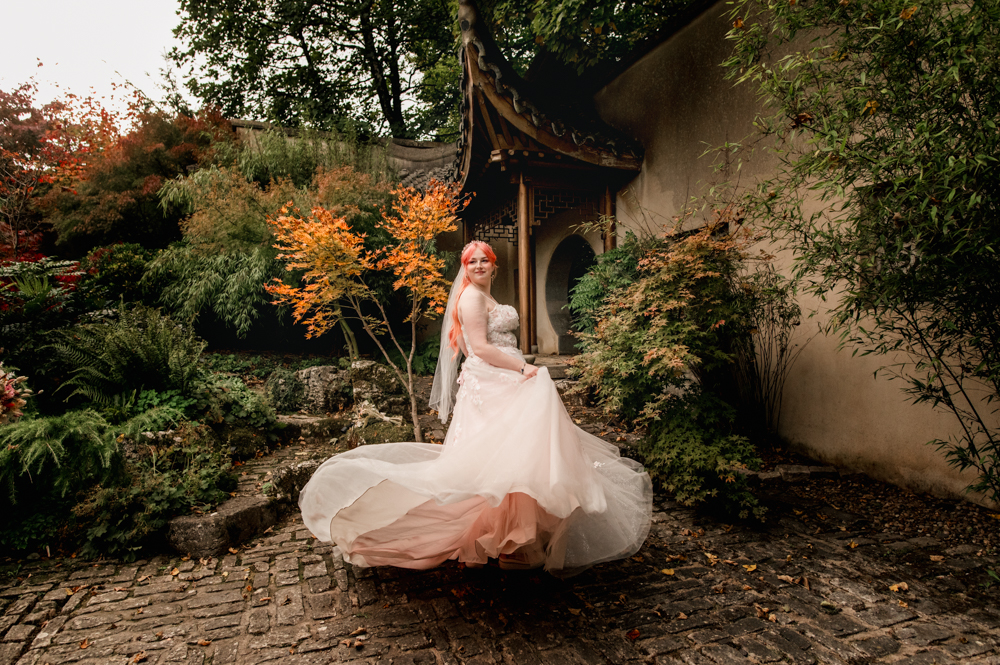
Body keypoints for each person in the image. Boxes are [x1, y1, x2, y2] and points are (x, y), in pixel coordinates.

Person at [299, 240, 652, 576]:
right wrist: (522, 367)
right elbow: (479, 348)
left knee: (513, 457)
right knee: (499, 460)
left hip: (498, 377)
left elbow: (477, 348)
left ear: (493, 266)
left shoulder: (485, 294)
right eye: (472, 261)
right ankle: (509, 541)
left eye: (485, 260)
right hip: (495, 379)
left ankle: (515, 539)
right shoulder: (470, 297)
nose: (479, 265)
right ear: (465, 268)